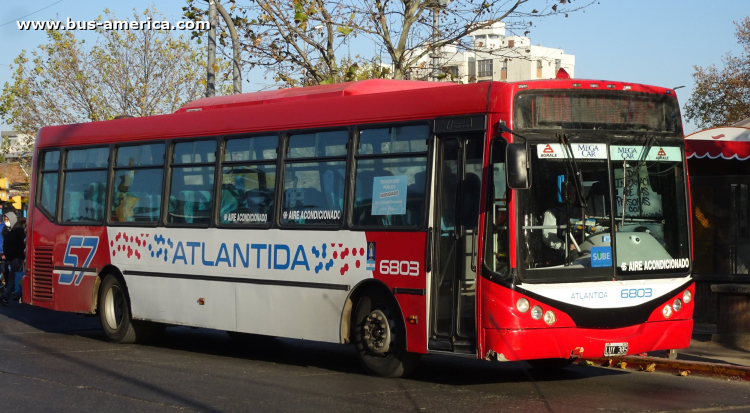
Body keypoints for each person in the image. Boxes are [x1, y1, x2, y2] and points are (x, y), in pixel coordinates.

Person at [542, 183, 583, 253]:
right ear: (564, 194)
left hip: (583, 248)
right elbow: (548, 237)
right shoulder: (552, 212)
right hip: (563, 254)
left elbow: (590, 226)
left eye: (575, 192)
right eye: (570, 192)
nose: (573, 195)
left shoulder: (581, 210)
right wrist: (565, 246)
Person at [1, 212, 25, 305]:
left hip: (17, 258)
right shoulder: (7, 230)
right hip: (9, 258)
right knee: (13, 277)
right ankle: (16, 294)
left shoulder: (18, 231)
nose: (6, 221)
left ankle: (5, 297)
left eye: (8, 219)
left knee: (12, 277)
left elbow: (22, 245)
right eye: (5, 220)